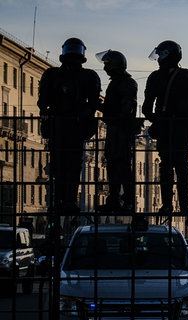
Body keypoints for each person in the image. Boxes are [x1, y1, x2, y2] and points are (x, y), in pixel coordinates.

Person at [142, 40, 188, 214]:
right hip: (183, 126)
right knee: (181, 165)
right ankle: (185, 205)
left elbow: (146, 108)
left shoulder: (155, 77)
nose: (158, 58)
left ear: (167, 55)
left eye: (160, 54)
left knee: (166, 165)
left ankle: (167, 205)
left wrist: (157, 120)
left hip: (166, 127)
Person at [38, 37, 101, 214]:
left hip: (69, 125)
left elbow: (93, 103)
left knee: (66, 165)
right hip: (67, 125)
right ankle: (64, 201)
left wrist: (85, 113)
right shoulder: (57, 75)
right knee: (66, 165)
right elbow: (43, 101)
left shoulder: (55, 75)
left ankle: (65, 201)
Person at [94, 50, 139, 213]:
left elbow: (124, 108)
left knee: (122, 166)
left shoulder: (127, 83)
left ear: (114, 65)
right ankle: (114, 200)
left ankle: (126, 201)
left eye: (107, 63)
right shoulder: (117, 82)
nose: (105, 67)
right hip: (115, 127)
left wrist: (105, 109)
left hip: (121, 129)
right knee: (113, 165)